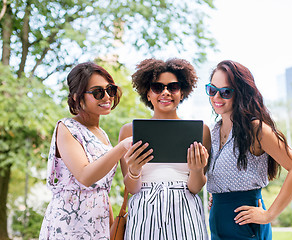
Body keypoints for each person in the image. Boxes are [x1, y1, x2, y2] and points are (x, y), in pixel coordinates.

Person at [39, 62, 149, 239]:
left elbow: (101, 191)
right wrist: (121, 147)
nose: (107, 97)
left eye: (110, 90)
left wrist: (111, 228)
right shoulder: (66, 128)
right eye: (98, 92)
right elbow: (85, 176)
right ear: (77, 97)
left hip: (98, 225)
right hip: (69, 224)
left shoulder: (102, 134)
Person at [205, 60, 292, 240]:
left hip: (246, 226)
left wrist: (269, 214)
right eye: (212, 90)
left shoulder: (255, 128)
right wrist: (218, 192)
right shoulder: (214, 130)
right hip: (217, 223)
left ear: (241, 94)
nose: (216, 97)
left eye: (226, 92)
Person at [119, 58, 210, 240]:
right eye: (157, 87)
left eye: (173, 87)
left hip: (185, 209)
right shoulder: (129, 131)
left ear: (182, 92)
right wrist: (135, 170)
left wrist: (197, 169)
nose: (166, 92)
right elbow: (131, 188)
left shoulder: (201, 131)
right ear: (148, 93)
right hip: (144, 208)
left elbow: (195, 188)